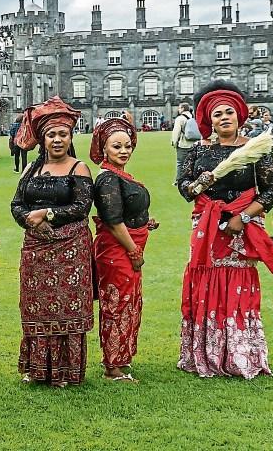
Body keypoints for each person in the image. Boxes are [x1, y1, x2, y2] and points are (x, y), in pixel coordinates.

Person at [177, 81, 273, 379]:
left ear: (239, 116)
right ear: (209, 121)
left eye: (229, 113)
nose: (224, 118)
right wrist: (198, 184)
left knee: (237, 284)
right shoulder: (199, 151)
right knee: (206, 281)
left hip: (242, 227)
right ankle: (206, 353)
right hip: (206, 228)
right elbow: (184, 187)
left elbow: (271, 190)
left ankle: (238, 353)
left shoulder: (256, 149)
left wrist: (242, 219)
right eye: (217, 114)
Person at [10, 96, 94, 387]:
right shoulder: (30, 170)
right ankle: (37, 369)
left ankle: (65, 371)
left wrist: (47, 213)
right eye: (51, 135)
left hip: (70, 249)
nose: (57, 140)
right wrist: (30, 220)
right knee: (37, 305)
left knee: (67, 306)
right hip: (35, 250)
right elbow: (16, 205)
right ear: (43, 139)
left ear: (71, 137)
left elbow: (81, 207)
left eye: (63, 134)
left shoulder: (79, 168)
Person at [90, 118, 159, 382]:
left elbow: (126, 211)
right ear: (104, 149)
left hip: (128, 244)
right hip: (117, 251)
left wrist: (144, 222)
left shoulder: (120, 175)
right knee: (116, 304)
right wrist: (134, 251)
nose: (123, 151)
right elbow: (113, 220)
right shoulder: (107, 178)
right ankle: (112, 366)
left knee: (128, 302)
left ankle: (119, 357)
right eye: (116, 146)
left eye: (127, 146)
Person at [171, 103, 195, 182]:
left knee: (180, 163)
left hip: (184, 144)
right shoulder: (194, 117)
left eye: (179, 108)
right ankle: (192, 179)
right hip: (195, 144)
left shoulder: (180, 118)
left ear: (182, 108)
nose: (178, 110)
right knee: (193, 162)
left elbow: (176, 132)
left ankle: (179, 180)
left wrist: (174, 142)